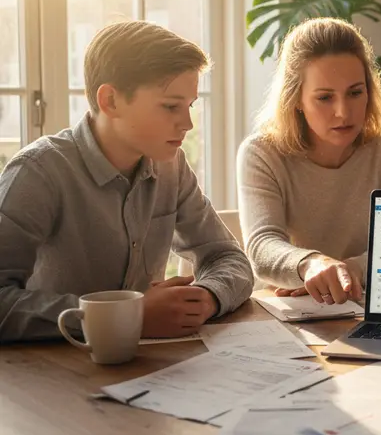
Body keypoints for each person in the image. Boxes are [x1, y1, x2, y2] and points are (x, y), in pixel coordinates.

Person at [0, 21, 254, 343]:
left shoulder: (171, 166)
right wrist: (123, 317)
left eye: (189, 106)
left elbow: (227, 257)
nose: (188, 123)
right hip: (56, 374)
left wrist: (207, 295)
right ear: (110, 101)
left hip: (149, 368)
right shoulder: (38, 172)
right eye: (171, 106)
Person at [238, 17, 381, 305]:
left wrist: (351, 270)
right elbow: (261, 246)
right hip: (290, 312)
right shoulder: (261, 153)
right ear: (296, 98)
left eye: (355, 93)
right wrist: (311, 265)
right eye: (324, 98)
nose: (343, 112)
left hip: (367, 304)